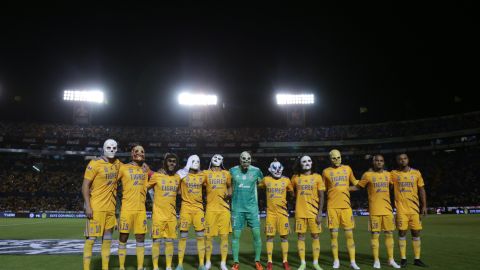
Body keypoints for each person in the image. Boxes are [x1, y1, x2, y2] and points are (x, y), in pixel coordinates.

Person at [350, 155, 401, 268]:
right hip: (374, 210)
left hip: (387, 210)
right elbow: (358, 187)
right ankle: (376, 260)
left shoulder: (389, 175)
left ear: (383, 163)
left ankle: (391, 260)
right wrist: (343, 189)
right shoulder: (367, 175)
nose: (379, 162)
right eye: (377, 161)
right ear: (373, 162)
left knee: (389, 234)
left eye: (381, 161)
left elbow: (392, 188)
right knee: (375, 235)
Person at [82, 139, 121, 270]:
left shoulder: (118, 164)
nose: (112, 150)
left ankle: (105, 268)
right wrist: (88, 205)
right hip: (96, 208)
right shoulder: (94, 164)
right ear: (104, 148)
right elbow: (85, 186)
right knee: (91, 240)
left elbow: (130, 169)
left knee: (108, 240)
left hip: (110, 210)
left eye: (114, 148)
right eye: (109, 148)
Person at [322, 149, 360, 269]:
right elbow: (322, 189)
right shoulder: (326, 172)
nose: (337, 160)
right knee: (334, 236)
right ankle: (336, 260)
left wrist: (365, 180)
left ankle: (353, 262)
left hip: (346, 207)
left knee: (349, 235)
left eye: (338, 157)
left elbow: (356, 183)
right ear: (330, 159)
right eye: (334, 158)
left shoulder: (348, 169)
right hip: (332, 207)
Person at [391, 154, 427, 268]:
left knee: (416, 233)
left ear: (408, 160)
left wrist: (424, 206)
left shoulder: (416, 173)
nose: (402, 161)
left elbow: (421, 189)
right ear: (397, 161)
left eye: (405, 158)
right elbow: (387, 187)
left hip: (414, 209)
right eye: (400, 159)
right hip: (401, 209)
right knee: (402, 233)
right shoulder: (393, 174)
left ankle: (417, 259)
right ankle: (403, 259)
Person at [230, 151, 264, 270]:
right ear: (240, 159)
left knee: (257, 235)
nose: (246, 161)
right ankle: (236, 262)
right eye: (244, 159)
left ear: (251, 159)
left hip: (252, 209)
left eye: (248, 159)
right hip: (237, 209)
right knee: (236, 236)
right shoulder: (232, 171)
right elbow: (228, 186)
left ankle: (257, 261)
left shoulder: (256, 171)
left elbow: (262, 185)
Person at [117, 145, 149, 270]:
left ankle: (140, 267)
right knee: (123, 237)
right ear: (132, 153)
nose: (140, 153)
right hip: (126, 209)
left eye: (142, 151)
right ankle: (121, 267)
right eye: (137, 151)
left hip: (141, 210)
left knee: (140, 238)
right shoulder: (123, 168)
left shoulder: (146, 170)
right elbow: (113, 185)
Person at [259, 159, 294, 270]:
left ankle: (285, 260)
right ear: (270, 170)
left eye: (279, 168)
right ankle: (269, 261)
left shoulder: (287, 180)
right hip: (271, 213)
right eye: (275, 168)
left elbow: (292, 193)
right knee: (270, 237)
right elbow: (258, 189)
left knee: (284, 237)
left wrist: (287, 202)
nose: (277, 171)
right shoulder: (266, 180)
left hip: (283, 213)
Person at [292, 155, 325, 270]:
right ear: (300, 164)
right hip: (300, 213)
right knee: (301, 237)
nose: (307, 163)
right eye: (304, 161)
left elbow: (321, 196)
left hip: (314, 213)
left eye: (309, 161)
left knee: (315, 236)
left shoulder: (318, 177)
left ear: (312, 163)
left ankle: (316, 263)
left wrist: (320, 213)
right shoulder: (295, 178)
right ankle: (303, 263)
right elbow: (292, 193)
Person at [148, 153, 181, 270]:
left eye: (174, 161)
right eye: (169, 161)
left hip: (171, 216)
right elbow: (144, 188)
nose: (172, 163)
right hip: (158, 216)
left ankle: (168, 267)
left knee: (169, 241)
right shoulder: (157, 176)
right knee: (156, 241)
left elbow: (179, 193)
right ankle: (155, 267)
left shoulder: (177, 178)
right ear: (165, 162)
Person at [176, 155, 207, 270]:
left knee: (200, 236)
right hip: (185, 208)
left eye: (198, 161)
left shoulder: (203, 175)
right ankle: (180, 264)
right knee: (183, 236)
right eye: (194, 161)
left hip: (199, 209)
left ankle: (201, 264)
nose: (196, 163)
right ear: (189, 162)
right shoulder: (181, 174)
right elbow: (174, 184)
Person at [204, 154, 232, 270]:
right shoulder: (205, 173)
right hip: (210, 209)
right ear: (211, 160)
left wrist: (230, 193)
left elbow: (230, 187)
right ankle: (208, 261)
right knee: (209, 237)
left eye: (219, 159)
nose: (217, 161)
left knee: (224, 237)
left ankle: (223, 263)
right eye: (215, 159)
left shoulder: (226, 173)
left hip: (224, 209)